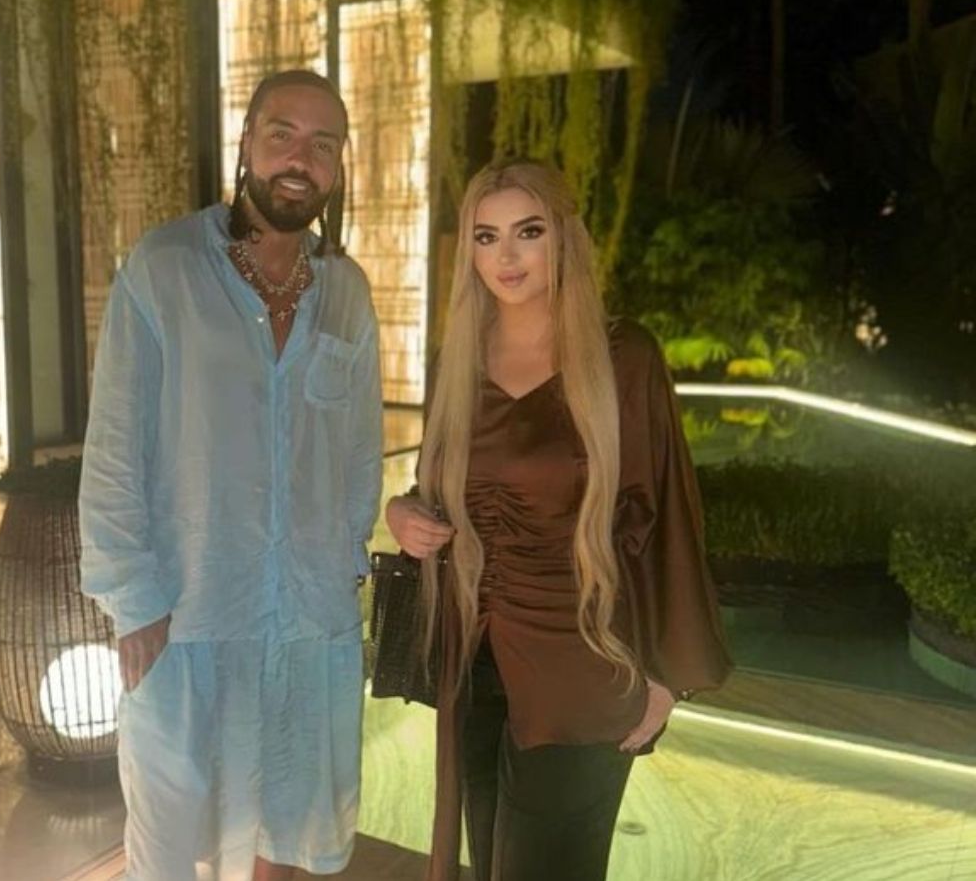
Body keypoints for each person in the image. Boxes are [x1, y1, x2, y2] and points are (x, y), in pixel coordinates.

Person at [386, 159, 731, 881]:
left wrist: (668, 679)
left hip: (586, 666)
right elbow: (441, 494)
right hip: (474, 665)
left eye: (528, 231)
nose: (506, 256)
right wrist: (404, 510)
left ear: (564, 237)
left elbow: (666, 517)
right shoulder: (456, 362)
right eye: (486, 237)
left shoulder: (622, 357)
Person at [79, 70, 383, 881]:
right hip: (190, 614)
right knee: (174, 842)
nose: (301, 159)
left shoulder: (346, 294)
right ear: (247, 142)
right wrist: (132, 600)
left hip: (307, 620)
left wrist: (345, 566)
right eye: (283, 134)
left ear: (338, 165)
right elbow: (114, 445)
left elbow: (360, 451)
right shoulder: (165, 268)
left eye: (323, 144)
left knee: (289, 831)